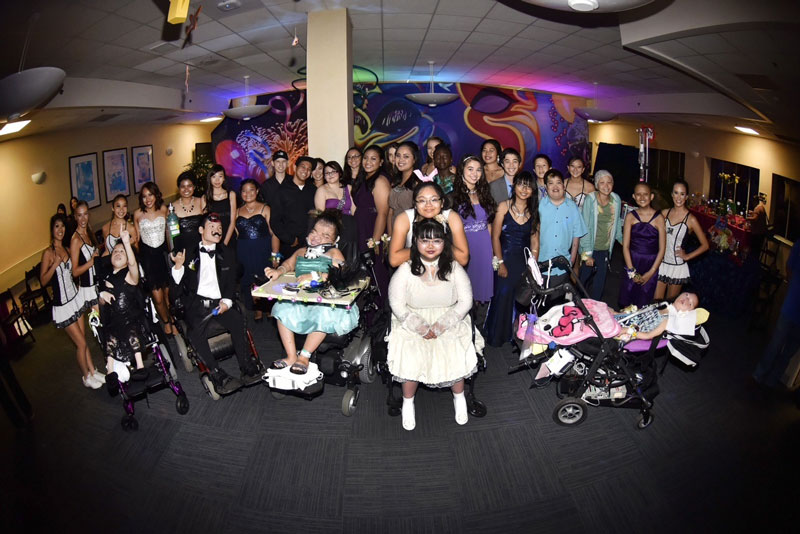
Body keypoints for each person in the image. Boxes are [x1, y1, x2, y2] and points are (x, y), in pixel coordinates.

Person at [387, 218, 480, 431]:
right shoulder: (405, 269)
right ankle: (408, 402)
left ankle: (459, 398)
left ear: (444, 243)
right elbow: (397, 303)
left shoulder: (454, 267)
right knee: (410, 351)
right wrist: (419, 326)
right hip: (411, 318)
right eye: (425, 240)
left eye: (437, 241)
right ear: (416, 242)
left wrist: (442, 325)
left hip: (449, 317)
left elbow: (466, 301)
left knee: (454, 348)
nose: (430, 246)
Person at [170, 214, 262, 394]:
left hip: (219, 302)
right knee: (195, 333)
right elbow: (174, 294)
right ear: (201, 230)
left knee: (237, 319)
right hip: (196, 304)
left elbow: (230, 282)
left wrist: (227, 301)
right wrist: (179, 268)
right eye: (212, 227)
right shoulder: (187, 253)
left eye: (219, 228)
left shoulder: (226, 252)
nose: (217, 230)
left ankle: (246, 366)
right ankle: (216, 372)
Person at [265, 210, 358, 374]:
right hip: (302, 299)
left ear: (334, 240)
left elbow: (342, 273)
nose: (317, 237)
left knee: (325, 315)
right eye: (314, 232)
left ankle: (304, 356)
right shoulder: (302, 252)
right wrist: (278, 271)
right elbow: (288, 264)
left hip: (326, 303)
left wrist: (314, 275)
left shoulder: (333, 253)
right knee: (280, 308)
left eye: (325, 235)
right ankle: (291, 355)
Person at [40, 214, 103, 389]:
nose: (60, 230)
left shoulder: (67, 249)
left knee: (83, 339)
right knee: (81, 344)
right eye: (56, 227)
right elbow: (43, 281)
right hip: (62, 306)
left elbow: (74, 273)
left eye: (62, 227)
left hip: (75, 299)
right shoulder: (48, 253)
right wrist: (54, 265)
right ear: (52, 230)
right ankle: (86, 376)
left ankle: (93, 370)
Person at [485, 172, 540, 347]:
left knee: (521, 299)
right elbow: (495, 237)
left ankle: (517, 336)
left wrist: (532, 266)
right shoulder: (503, 206)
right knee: (502, 296)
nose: (524, 189)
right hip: (505, 258)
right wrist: (500, 262)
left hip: (523, 262)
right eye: (521, 185)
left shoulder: (534, 212)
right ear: (514, 186)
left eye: (528, 186)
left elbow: (535, 242)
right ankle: (497, 336)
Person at [451, 155, 496, 328]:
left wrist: (491, 252)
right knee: (463, 294)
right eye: (470, 169)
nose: (474, 174)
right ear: (462, 170)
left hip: (484, 249)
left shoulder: (484, 193)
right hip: (464, 248)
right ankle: (462, 332)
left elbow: (489, 224)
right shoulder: (452, 196)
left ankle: (475, 333)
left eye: (478, 170)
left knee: (478, 296)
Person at [98, 230, 148, 382]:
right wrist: (102, 296)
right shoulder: (107, 278)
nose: (118, 253)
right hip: (114, 322)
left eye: (122, 251)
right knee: (109, 338)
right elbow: (101, 306)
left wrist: (126, 243)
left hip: (131, 318)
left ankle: (140, 366)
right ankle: (111, 372)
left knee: (131, 331)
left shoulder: (129, 275)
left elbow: (133, 264)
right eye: (115, 251)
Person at [752, 240, 800, 390]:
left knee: (789, 351)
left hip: (793, 304)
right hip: (792, 305)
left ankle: (771, 382)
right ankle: (758, 376)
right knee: (776, 343)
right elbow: (789, 268)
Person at [389, 181, 469, 268]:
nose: (428, 205)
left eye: (434, 199)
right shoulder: (404, 219)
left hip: (445, 268)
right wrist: (421, 247)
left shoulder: (451, 217)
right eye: (422, 200)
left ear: (442, 202)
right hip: (414, 269)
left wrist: (441, 244)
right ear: (415, 204)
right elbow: (394, 260)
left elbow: (463, 259)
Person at [654, 180, 710, 300]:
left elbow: (705, 245)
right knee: (656, 303)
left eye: (682, 194)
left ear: (686, 197)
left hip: (677, 266)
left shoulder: (691, 219)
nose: (678, 197)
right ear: (672, 194)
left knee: (671, 305)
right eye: (676, 193)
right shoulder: (664, 213)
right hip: (661, 263)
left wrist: (687, 256)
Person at [134, 182, 175, 335]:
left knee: (167, 295)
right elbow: (137, 240)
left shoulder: (164, 210)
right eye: (144, 196)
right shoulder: (137, 214)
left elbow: (169, 234)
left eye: (150, 195)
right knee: (157, 297)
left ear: (156, 195)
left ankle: (171, 319)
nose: (147, 199)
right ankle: (165, 320)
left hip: (163, 256)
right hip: (149, 259)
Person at [353, 145, 391, 305]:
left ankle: (382, 316)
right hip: (361, 228)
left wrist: (374, 243)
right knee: (364, 276)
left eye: (373, 158)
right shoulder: (363, 178)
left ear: (381, 162)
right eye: (366, 158)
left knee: (376, 274)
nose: (368, 162)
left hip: (372, 230)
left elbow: (383, 213)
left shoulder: (380, 180)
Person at [235, 179, 277, 321]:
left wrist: (275, 255)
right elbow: (236, 233)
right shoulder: (237, 211)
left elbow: (274, 234)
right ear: (240, 193)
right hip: (244, 250)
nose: (248, 193)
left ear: (257, 191)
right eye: (244, 190)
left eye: (251, 189)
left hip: (263, 248)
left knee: (265, 276)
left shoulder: (266, 208)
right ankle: (257, 308)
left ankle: (269, 307)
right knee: (248, 278)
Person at [578, 170, 624, 301]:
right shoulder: (590, 199)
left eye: (609, 182)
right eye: (602, 182)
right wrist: (587, 255)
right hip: (590, 248)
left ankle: (595, 311)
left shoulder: (616, 199)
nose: (606, 185)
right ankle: (577, 307)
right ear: (597, 185)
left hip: (604, 249)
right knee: (583, 281)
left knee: (600, 283)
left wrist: (624, 242)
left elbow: (617, 224)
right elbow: (585, 227)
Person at [538, 169, 588, 288]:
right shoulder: (539, 206)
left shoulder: (572, 207)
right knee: (540, 302)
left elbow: (577, 235)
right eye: (551, 183)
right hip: (541, 263)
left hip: (562, 265)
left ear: (564, 186)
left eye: (558, 182)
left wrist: (572, 259)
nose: (555, 186)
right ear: (546, 187)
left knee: (558, 303)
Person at [620, 182, 666, 308]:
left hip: (651, 264)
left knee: (644, 302)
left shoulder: (659, 218)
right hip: (632, 262)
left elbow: (662, 249)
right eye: (638, 195)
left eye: (645, 194)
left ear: (651, 196)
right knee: (627, 301)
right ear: (634, 197)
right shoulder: (630, 216)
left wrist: (651, 272)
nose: (642, 197)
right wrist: (631, 272)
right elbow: (625, 246)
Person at [270, 153, 317, 260]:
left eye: (309, 169)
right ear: (295, 168)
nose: (305, 170)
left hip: (311, 243)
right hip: (290, 245)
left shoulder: (313, 190)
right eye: (303, 167)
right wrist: (290, 239)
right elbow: (275, 221)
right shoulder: (282, 191)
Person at [617, 291, 700, 341]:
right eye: (687, 294)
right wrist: (617, 314)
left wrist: (627, 330)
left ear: (688, 313)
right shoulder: (662, 304)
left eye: (690, 303)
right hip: (624, 320)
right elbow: (638, 313)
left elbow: (647, 336)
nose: (686, 299)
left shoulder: (669, 320)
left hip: (629, 332)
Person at [70, 200, 100, 309]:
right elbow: (74, 272)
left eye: (85, 214)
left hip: (97, 284)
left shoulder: (89, 232)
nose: (83, 219)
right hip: (88, 289)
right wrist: (91, 262)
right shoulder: (75, 239)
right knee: (100, 323)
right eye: (79, 215)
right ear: (75, 217)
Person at [387, 141, 422, 231]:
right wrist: (390, 237)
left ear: (414, 159)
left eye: (406, 156)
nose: (401, 160)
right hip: (394, 233)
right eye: (398, 156)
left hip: (410, 232)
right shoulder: (395, 181)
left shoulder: (418, 183)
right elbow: (391, 213)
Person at [173, 171, 206, 252]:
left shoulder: (201, 201)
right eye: (182, 186)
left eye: (189, 186)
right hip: (181, 250)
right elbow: (171, 234)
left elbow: (208, 227)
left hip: (201, 247)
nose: (186, 189)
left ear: (194, 187)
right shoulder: (172, 207)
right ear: (179, 188)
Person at [205, 164, 237, 248]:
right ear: (210, 179)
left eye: (220, 176)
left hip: (229, 237)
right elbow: (206, 224)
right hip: (212, 239)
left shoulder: (231, 194)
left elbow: (232, 222)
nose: (217, 180)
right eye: (214, 176)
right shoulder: (205, 198)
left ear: (224, 178)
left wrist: (224, 244)